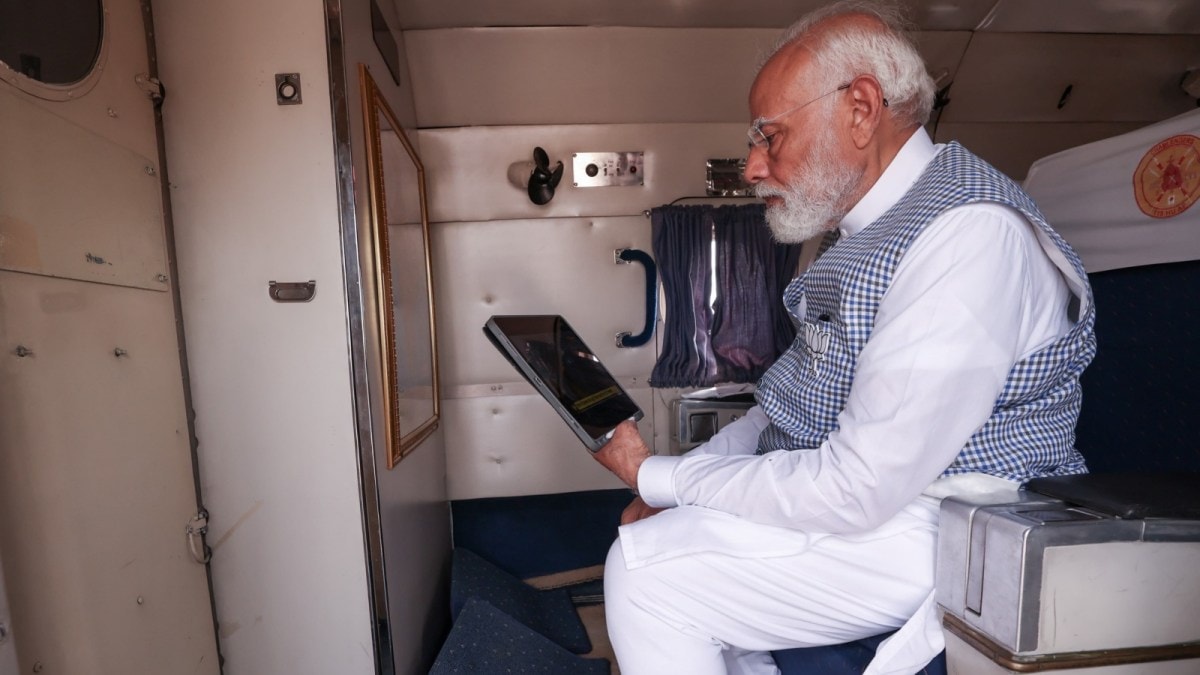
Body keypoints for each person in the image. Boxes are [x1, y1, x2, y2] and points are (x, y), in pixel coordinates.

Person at [591, 1, 1097, 674]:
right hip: (891, 504)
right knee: (669, 538)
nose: (752, 166)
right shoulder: (864, 236)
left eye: (769, 136)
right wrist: (676, 487)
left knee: (646, 573)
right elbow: (785, 411)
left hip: (961, 522)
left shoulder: (967, 236)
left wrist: (659, 475)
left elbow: (858, 487)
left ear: (861, 109)